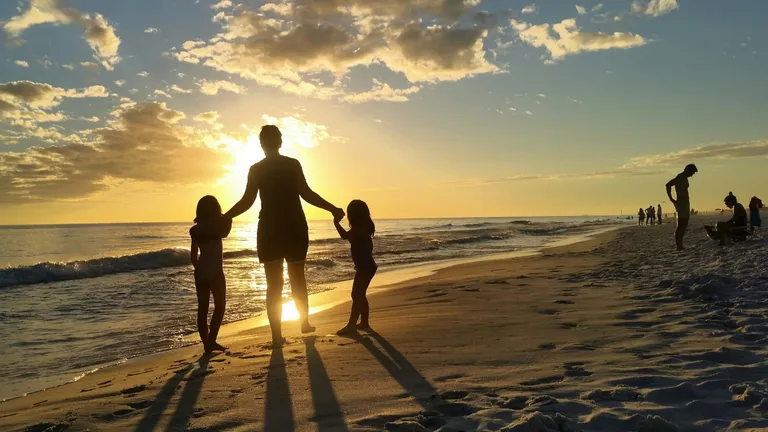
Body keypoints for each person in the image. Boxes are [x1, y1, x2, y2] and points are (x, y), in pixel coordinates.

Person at [224, 125, 345, 346]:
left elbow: (247, 201)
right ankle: (304, 323)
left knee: (273, 284)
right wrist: (332, 209)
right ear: (280, 142)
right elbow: (307, 193)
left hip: (270, 229)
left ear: (261, 144)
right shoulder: (292, 164)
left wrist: (226, 216)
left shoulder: (256, 169)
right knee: (298, 277)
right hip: (294, 226)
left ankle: (277, 336)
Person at [190, 195, 232, 353]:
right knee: (220, 307)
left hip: (201, 272)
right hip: (215, 271)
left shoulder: (195, 230)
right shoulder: (218, 228)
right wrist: (227, 217)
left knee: (203, 309)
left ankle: (206, 343)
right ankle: (211, 341)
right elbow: (227, 229)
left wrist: (199, 269)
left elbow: (193, 256)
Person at [334, 200, 378, 335]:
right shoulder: (365, 227)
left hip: (365, 267)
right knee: (360, 294)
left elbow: (344, 236)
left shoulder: (358, 230)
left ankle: (352, 325)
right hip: (367, 266)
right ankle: (364, 322)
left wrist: (336, 222)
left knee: (356, 294)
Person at [666, 164, 698, 250]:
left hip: (685, 203)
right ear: (687, 170)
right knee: (681, 224)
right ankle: (679, 246)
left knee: (684, 224)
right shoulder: (679, 177)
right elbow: (668, 185)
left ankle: (680, 245)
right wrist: (671, 199)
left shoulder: (684, 178)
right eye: (692, 173)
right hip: (681, 203)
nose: (691, 175)